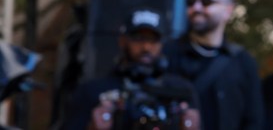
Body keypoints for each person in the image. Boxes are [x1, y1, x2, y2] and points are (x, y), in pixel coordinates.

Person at [62, 8, 200, 130]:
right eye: (139, 38)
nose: (146, 47)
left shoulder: (182, 92)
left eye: (153, 40)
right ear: (122, 41)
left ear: (162, 44)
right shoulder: (92, 91)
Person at [162, 0, 263, 130]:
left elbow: (255, 120)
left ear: (228, 10)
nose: (196, 8)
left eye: (206, 2)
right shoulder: (167, 54)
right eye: (191, 2)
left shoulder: (243, 61)